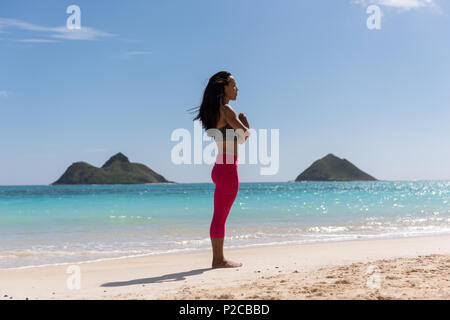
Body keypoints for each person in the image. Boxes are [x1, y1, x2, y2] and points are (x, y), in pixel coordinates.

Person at [189, 71, 250, 268]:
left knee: (218, 215)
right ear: (223, 88)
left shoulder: (214, 112)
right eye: (233, 85)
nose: (237, 89)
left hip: (219, 167)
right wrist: (247, 127)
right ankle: (218, 259)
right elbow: (243, 136)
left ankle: (218, 258)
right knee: (220, 216)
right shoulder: (227, 110)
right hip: (228, 170)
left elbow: (234, 138)